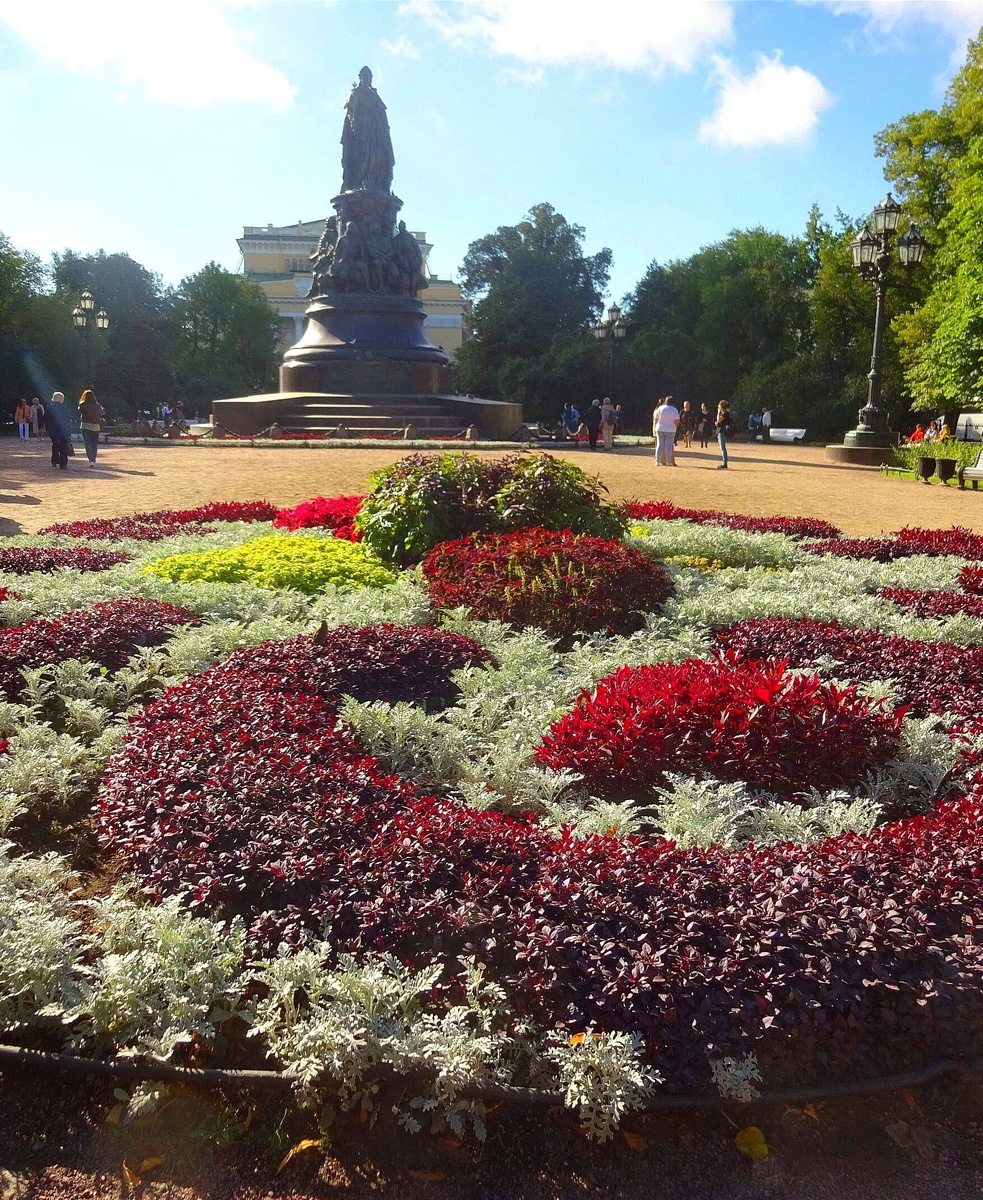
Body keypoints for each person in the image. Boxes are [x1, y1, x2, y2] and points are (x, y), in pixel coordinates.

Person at [45, 391, 74, 470]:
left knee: (55, 445)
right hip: (63, 430)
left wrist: (48, 427)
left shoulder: (50, 408)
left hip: (53, 429)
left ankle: (54, 460)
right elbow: (68, 420)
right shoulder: (65, 408)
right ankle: (63, 463)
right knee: (63, 446)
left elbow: (45, 419)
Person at [78, 389, 105, 467]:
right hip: (96, 426)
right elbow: (102, 412)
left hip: (85, 426)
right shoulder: (98, 405)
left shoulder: (82, 405)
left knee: (88, 444)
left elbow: (79, 412)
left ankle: (91, 459)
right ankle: (93, 459)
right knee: (94, 444)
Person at [652, 395, 680, 466]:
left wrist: (655, 427)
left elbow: (656, 419)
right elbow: (676, 421)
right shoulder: (674, 410)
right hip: (670, 429)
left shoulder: (660, 408)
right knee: (668, 446)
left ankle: (657, 461)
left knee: (660, 445)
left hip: (660, 428)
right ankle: (668, 462)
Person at [716, 400, 734, 469]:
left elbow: (718, 421)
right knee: (722, 448)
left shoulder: (724, 414)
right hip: (721, 431)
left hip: (722, 432)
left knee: (723, 448)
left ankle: (724, 463)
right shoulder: (725, 414)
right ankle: (724, 462)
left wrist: (718, 412)